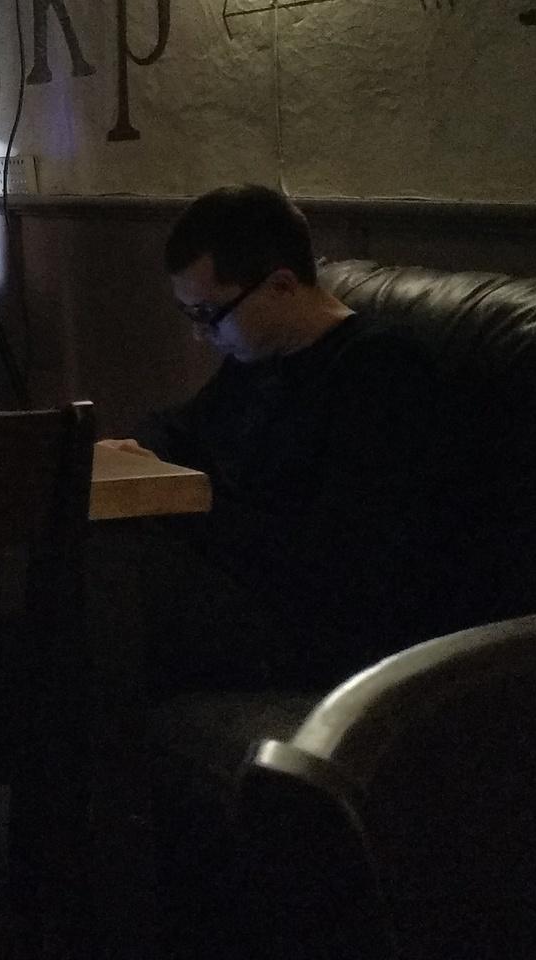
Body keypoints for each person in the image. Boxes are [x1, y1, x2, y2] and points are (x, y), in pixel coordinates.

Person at [108, 184, 477, 691]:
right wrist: (136, 451)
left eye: (209, 314)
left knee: (112, 585)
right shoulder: (260, 355)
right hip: (243, 588)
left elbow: (335, 560)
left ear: (281, 285)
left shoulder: (381, 371)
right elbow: (176, 426)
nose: (201, 334)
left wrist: (186, 507)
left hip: (319, 625)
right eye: (190, 315)